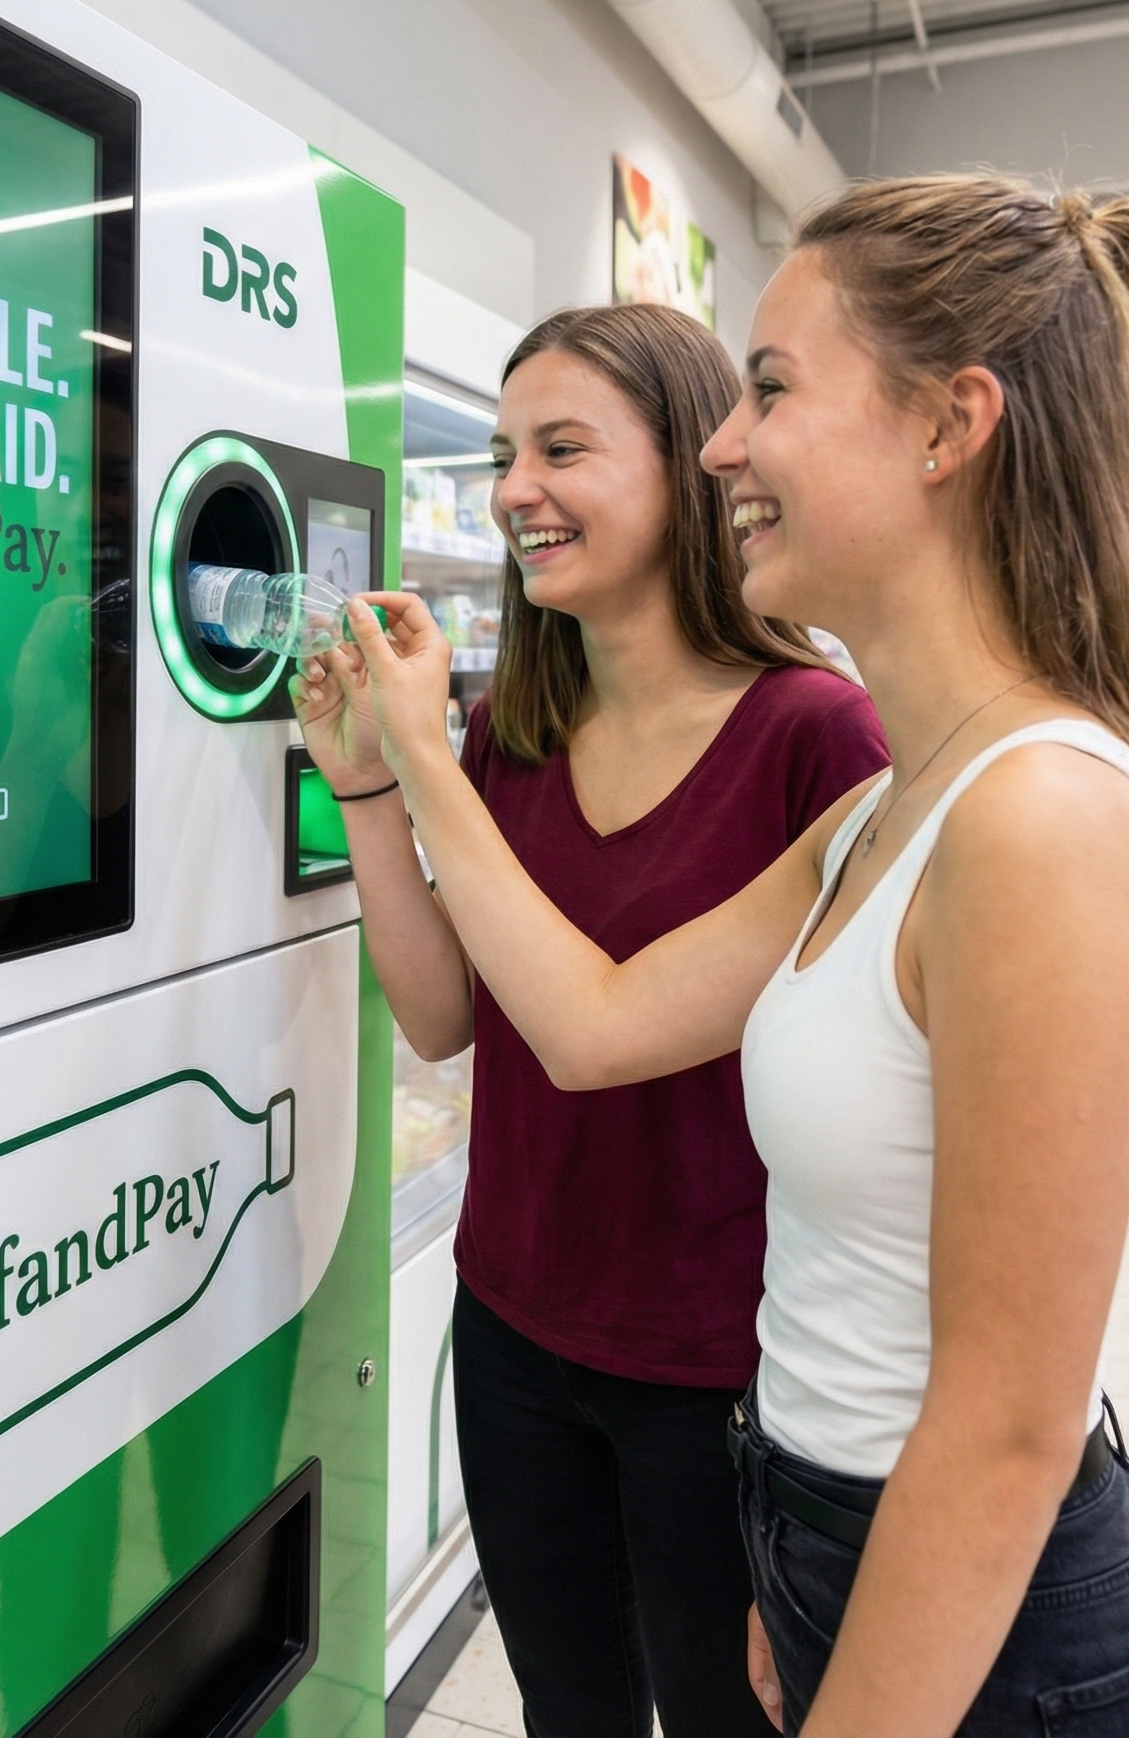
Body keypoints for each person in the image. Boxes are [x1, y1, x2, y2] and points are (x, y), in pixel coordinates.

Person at [315, 177, 1129, 1734]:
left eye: (773, 391)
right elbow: (586, 1028)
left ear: (950, 426)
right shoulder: (889, 809)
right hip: (797, 1510)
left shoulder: (1033, 819)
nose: (732, 442)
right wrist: (382, 784)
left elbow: (1007, 1427)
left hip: (954, 1601)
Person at [293, 303, 886, 1738]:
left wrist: (424, 758)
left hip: (721, 1372)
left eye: (563, 448)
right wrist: (372, 783)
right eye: (503, 454)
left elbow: (596, 1033)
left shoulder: (817, 739)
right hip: (514, 1333)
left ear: (693, 467)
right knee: (571, 1712)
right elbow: (445, 1020)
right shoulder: (512, 735)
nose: (511, 492)